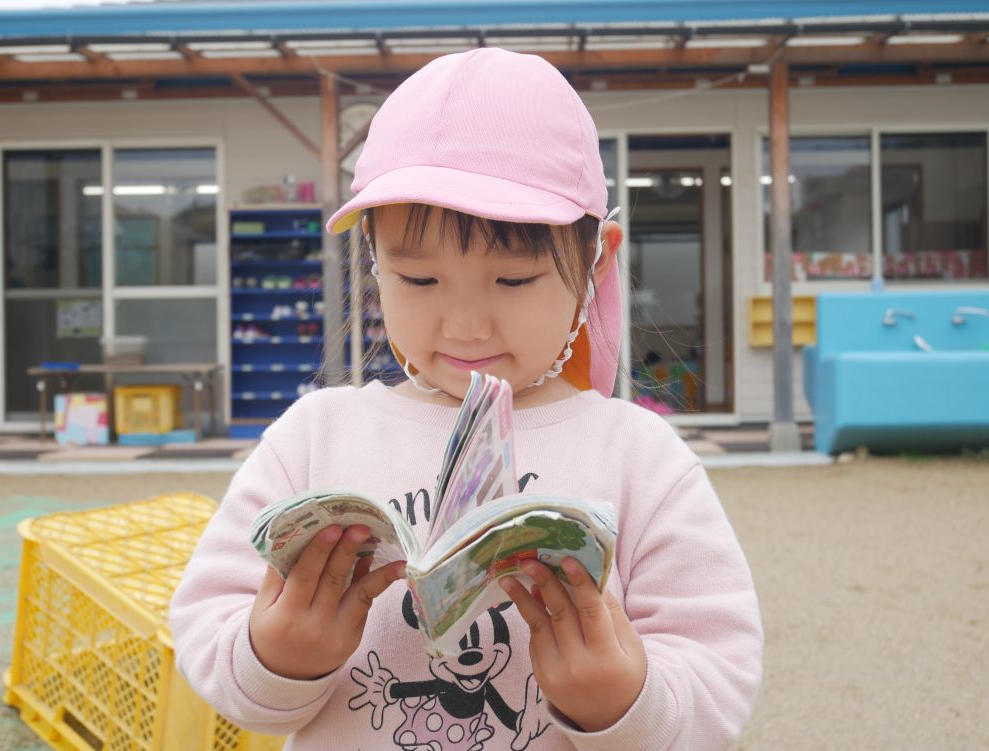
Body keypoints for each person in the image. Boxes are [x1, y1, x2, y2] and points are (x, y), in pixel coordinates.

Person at [170, 47, 762, 751]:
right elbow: (210, 630)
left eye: (513, 281)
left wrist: (622, 701)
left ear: (596, 260)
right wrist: (279, 656)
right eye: (418, 280)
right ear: (372, 259)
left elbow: (719, 676)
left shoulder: (641, 459)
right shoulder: (312, 438)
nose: (465, 326)